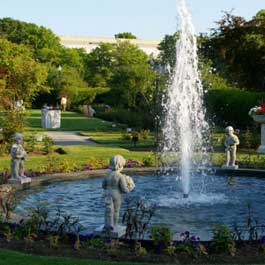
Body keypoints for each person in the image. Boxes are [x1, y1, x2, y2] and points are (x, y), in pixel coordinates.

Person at [102, 155, 134, 230]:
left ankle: (107, 225)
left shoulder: (107, 175)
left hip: (107, 193)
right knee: (116, 211)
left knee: (108, 210)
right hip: (116, 194)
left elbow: (103, 186)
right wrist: (130, 187)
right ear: (120, 165)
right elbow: (124, 189)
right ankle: (115, 225)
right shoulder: (120, 176)